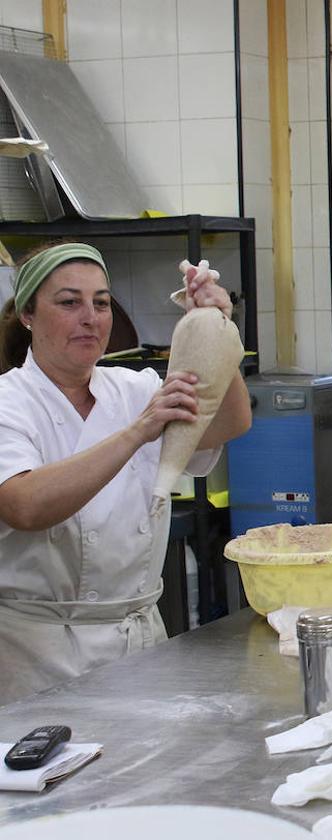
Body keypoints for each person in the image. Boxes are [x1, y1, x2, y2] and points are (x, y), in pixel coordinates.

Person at [0, 242, 252, 705]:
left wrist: (218, 330)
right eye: (69, 302)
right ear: (28, 315)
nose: (91, 317)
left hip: (137, 643)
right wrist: (139, 432)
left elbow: (227, 424)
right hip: (39, 654)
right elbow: (25, 505)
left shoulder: (133, 387)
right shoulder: (9, 403)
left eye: (100, 302)